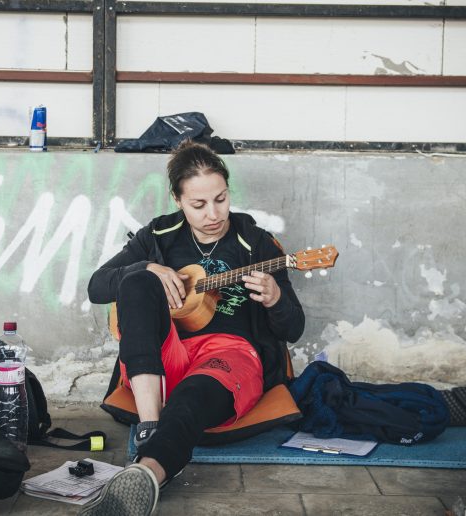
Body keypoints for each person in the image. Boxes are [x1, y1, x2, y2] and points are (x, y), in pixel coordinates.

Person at [82, 140, 305, 516]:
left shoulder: (257, 244)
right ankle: (150, 426)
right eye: (198, 205)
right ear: (178, 199)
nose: (213, 213)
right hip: (165, 358)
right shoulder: (158, 236)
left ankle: (148, 472)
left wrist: (275, 299)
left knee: (190, 397)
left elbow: (294, 328)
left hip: (230, 358)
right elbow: (97, 285)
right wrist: (147, 267)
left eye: (220, 199)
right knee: (136, 281)